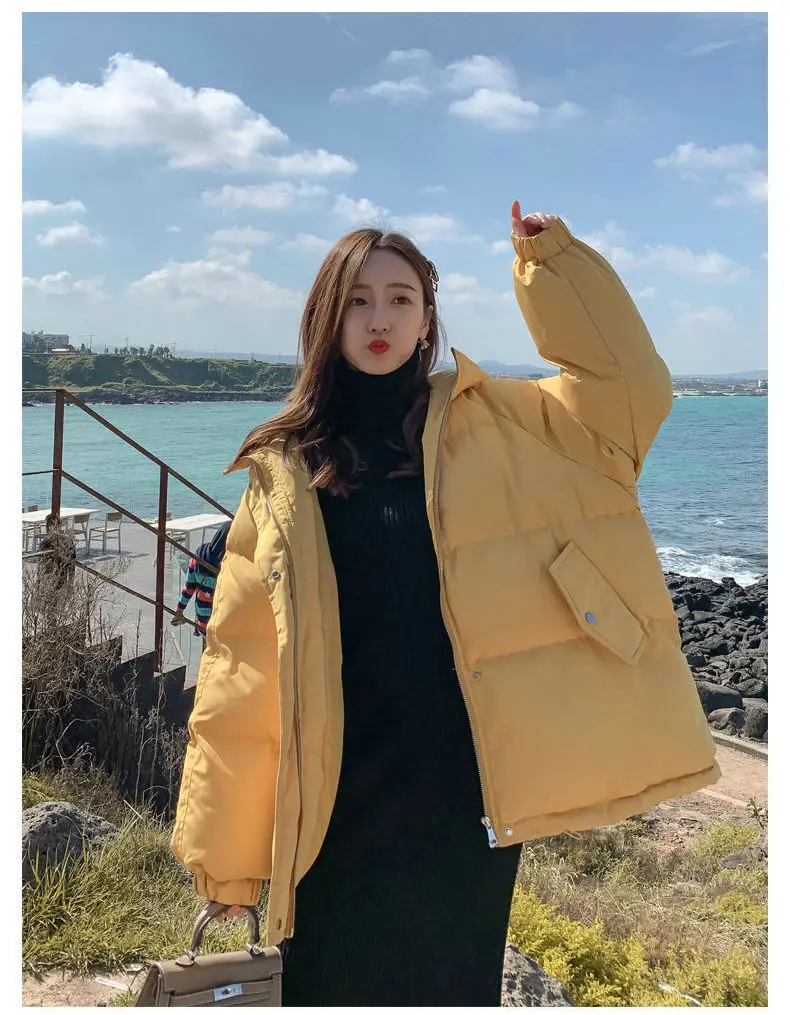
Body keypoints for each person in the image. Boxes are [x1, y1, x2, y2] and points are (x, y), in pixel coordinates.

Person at [170, 203, 720, 1006]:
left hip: (463, 790)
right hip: (332, 797)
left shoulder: (500, 424)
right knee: (330, 982)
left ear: (428, 317)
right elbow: (242, 681)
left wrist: (552, 267)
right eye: (358, 300)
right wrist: (227, 860)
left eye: (401, 298)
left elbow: (629, 394)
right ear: (326, 317)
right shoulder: (285, 470)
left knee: (453, 985)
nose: (380, 319)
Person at [170, 521, 231, 647]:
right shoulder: (231, 563)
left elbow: (188, 588)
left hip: (202, 621)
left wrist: (179, 610)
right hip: (223, 623)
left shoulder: (200, 554)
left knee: (209, 650)